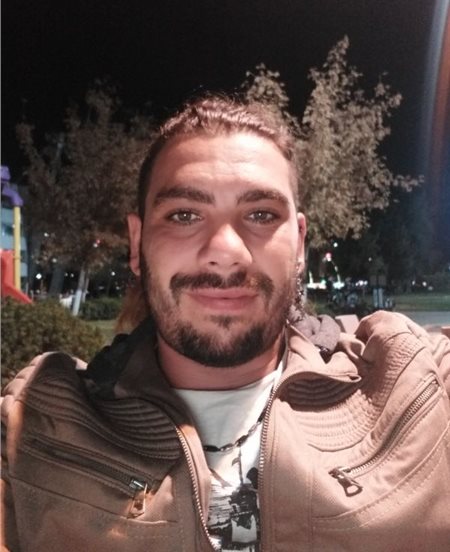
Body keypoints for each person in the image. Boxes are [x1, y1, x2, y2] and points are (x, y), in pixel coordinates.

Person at [1, 95, 450, 552]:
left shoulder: (415, 376)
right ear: (137, 243)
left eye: (261, 215)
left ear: (299, 244)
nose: (226, 250)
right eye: (184, 215)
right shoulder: (36, 421)